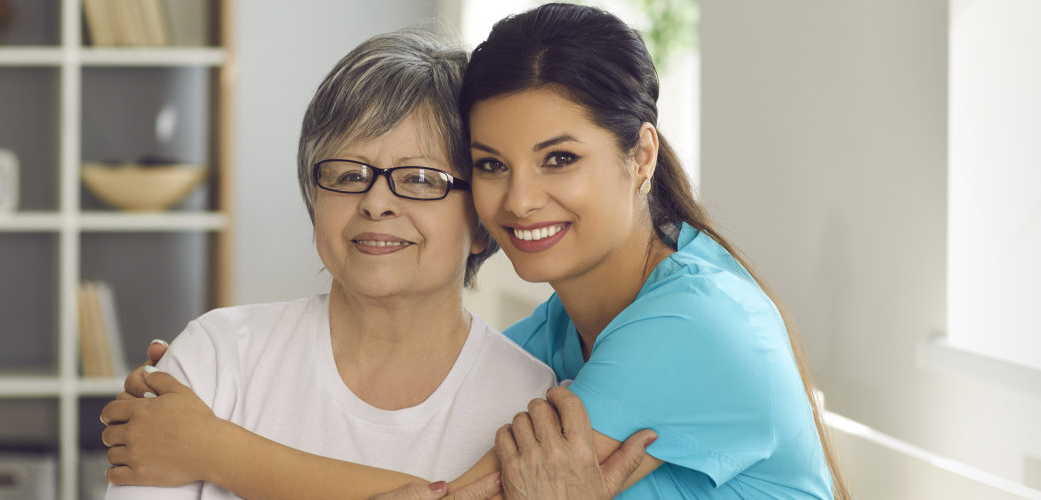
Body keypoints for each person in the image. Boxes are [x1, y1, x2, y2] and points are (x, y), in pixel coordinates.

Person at [112, 4, 849, 499]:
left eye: (559, 159)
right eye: (493, 164)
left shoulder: (696, 324)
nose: (520, 200)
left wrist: (210, 448)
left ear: (640, 155)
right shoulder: (549, 345)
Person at [98, 27, 647, 500]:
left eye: (419, 179)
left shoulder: (531, 410)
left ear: (481, 221)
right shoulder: (215, 358)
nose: (376, 202)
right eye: (347, 173)